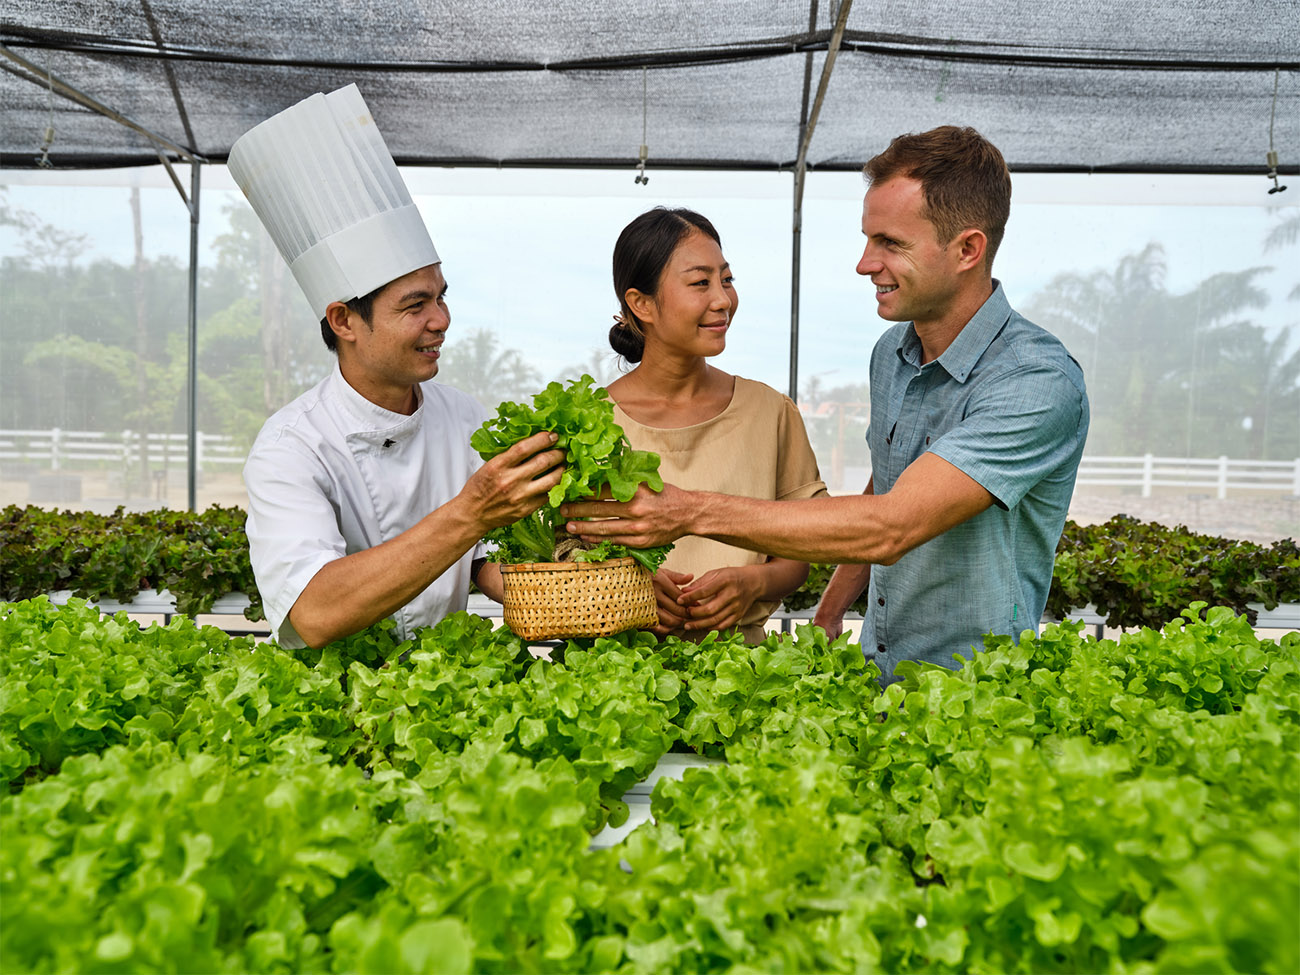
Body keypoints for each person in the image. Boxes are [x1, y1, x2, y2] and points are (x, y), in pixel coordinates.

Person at [562, 126, 1090, 683]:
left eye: (891, 243)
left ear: (967, 249)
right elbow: (892, 486)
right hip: (881, 675)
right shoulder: (893, 353)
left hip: (977, 692)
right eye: (868, 240)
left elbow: (891, 525)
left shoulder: (1035, 379)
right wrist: (832, 608)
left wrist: (685, 511)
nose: (865, 263)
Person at [231, 84, 563, 650]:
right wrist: (471, 512)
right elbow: (314, 611)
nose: (442, 320)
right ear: (343, 320)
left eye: (441, 297)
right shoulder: (293, 446)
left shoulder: (461, 417)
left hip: (449, 686)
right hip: (333, 708)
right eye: (415, 306)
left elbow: (486, 561)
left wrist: (584, 586)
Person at [603, 207, 827, 643]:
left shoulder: (771, 411)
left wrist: (753, 584)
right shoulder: (591, 423)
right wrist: (626, 591)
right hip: (617, 678)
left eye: (727, 279)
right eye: (700, 282)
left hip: (749, 678)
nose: (723, 299)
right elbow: (559, 559)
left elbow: (803, 547)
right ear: (641, 303)